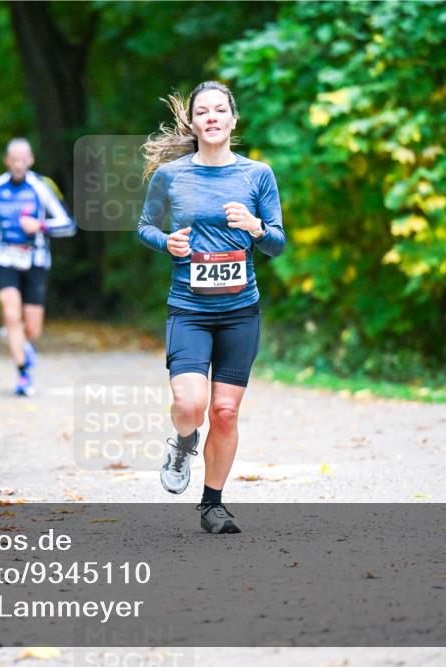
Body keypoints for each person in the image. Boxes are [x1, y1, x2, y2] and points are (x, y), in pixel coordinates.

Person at [137, 81, 285, 534]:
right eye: (204, 111)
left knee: (224, 411)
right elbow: (145, 226)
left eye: (221, 110)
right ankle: (183, 443)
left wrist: (257, 228)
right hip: (189, 307)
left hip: (241, 310)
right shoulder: (172, 176)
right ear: (194, 122)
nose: (213, 117)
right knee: (190, 404)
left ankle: (212, 505)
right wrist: (168, 242)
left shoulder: (258, 175)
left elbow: (278, 243)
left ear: (233, 120)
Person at [0, 138, 75, 396]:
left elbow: (68, 224)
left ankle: (18, 339)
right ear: (7, 161)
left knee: (32, 328)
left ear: (30, 160)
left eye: (23, 159)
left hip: (36, 260)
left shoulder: (40, 187)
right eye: (13, 159)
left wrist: (41, 226)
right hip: (5, 257)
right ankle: (23, 374)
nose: (18, 164)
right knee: (10, 311)